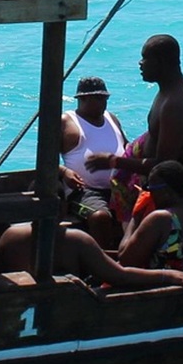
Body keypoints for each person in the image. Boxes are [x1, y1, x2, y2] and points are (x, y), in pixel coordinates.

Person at [86, 34, 183, 194]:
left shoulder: (174, 103)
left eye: (145, 58)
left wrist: (113, 161)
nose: (140, 63)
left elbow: (164, 165)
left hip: (179, 193)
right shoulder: (170, 90)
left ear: (161, 62)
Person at [0, 223, 183, 291]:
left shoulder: (10, 233)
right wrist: (167, 276)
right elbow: (120, 276)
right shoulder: (75, 240)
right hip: (56, 310)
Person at [117, 160, 183, 277]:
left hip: (168, 291)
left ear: (165, 192)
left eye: (151, 189)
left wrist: (136, 215)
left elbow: (125, 259)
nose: (150, 194)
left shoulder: (160, 219)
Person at [61, 75, 127, 243]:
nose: (103, 103)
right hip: (84, 191)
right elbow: (45, 160)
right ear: (82, 99)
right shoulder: (67, 122)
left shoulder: (112, 119)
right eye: (98, 98)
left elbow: (128, 150)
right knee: (100, 217)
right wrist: (64, 172)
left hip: (117, 187)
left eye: (105, 98)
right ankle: (104, 262)